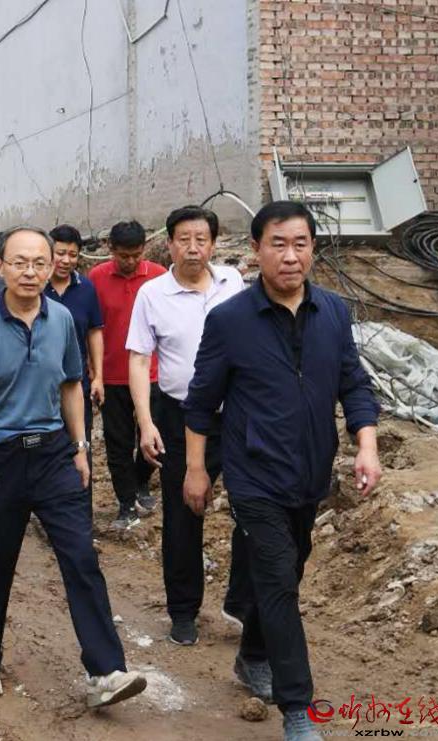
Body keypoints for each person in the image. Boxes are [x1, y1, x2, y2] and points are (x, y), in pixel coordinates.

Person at [182, 202, 381, 741]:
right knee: (277, 581)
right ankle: (298, 710)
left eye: (300, 244)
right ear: (256, 250)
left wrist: (366, 446)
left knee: (286, 573)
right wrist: (196, 469)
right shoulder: (229, 321)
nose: (290, 256)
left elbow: (353, 384)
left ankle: (252, 655)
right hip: (254, 476)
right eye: (278, 244)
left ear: (313, 248)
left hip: (311, 473)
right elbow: (201, 403)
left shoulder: (333, 312)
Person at [0, 225, 147, 707]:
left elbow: (72, 385)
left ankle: (106, 671)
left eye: (39, 263)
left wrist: (79, 447)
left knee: (81, 556)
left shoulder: (63, 320)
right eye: (19, 262)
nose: (30, 272)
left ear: (53, 265)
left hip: (53, 454)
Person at [126, 206, 250, 647]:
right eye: (184, 239)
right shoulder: (152, 294)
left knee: (254, 508)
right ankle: (183, 611)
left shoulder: (233, 283)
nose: (193, 248)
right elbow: (139, 359)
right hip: (178, 416)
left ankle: (241, 602)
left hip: (238, 416)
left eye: (201, 239)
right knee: (183, 513)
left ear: (213, 244)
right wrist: (146, 423)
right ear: (170, 244)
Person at [88, 221, 166, 529]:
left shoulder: (159, 276)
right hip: (112, 376)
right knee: (117, 442)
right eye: (123, 256)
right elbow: (92, 327)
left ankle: (141, 480)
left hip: (153, 374)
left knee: (155, 435)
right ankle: (125, 502)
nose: (130, 262)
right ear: (110, 249)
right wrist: (94, 370)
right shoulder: (96, 278)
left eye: (136, 255)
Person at [45, 224, 104, 494]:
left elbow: (94, 332)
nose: (66, 260)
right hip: (42, 386)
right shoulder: (36, 287)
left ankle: (81, 506)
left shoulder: (86, 289)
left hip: (76, 383)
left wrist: (98, 376)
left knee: (80, 446)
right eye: (60, 253)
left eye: (72, 254)